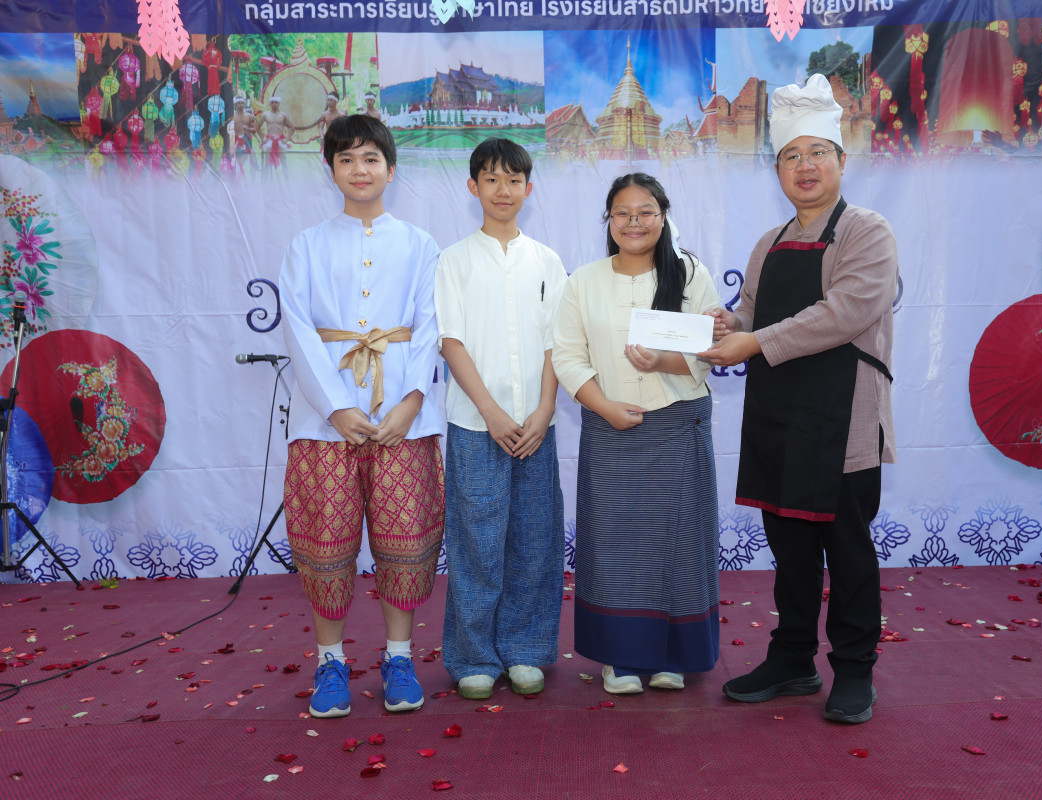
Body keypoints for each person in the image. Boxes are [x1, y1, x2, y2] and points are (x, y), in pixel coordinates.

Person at [699, 74, 897, 724]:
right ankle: (791, 659)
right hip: (780, 416)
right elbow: (752, 312)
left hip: (844, 420)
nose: (804, 166)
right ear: (778, 169)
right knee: (790, 551)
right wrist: (727, 325)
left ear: (841, 159)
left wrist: (753, 341)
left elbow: (843, 314)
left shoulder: (867, 232)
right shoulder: (770, 242)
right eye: (790, 155)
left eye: (817, 152)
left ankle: (855, 670)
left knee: (848, 551)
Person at [279, 114, 444, 718]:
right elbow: (299, 331)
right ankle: (331, 663)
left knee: (405, 542)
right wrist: (337, 408)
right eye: (346, 159)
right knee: (326, 543)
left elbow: (430, 326)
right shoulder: (306, 246)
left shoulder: (420, 245)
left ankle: (399, 657)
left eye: (371, 158)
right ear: (331, 170)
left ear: (390, 169)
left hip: (405, 419)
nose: (359, 169)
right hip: (324, 424)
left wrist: (411, 401)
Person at [552, 172, 722, 695]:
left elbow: (709, 349)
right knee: (614, 545)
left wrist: (662, 361)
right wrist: (604, 407)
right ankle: (620, 658)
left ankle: (674, 655)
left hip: (678, 424)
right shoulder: (584, 281)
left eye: (646, 212)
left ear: (663, 217)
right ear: (608, 220)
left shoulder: (689, 273)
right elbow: (567, 356)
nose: (634, 222)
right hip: (610, 428)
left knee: (679, 542)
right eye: (623, 213)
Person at [434, 138, 567, 700]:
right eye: (491, 179)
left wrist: (545, 409)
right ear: (473, 187)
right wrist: (490, 412)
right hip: (475, 424)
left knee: (534, 540)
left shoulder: (547, 260)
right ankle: (473, 657)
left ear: (528, 188)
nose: (503, 190)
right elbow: (451, 341)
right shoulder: (454, 259)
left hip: (536, 425)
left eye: (513, 180)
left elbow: (559, 342)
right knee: (477, 542)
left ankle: (526, 649)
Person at [257, 95, 294, 168]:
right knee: (267, 163)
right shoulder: (265, 115)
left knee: (283, 162)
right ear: (270, 104)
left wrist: (286, 139)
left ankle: (286, 176)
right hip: (269, 140)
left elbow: (292, 128)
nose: (274, 104)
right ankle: (265, 176)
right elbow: (258, 127)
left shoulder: (283, 115)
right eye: (273, 102)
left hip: (281, 140)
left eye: (276, 102)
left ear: (279, 104)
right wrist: (262, 139)